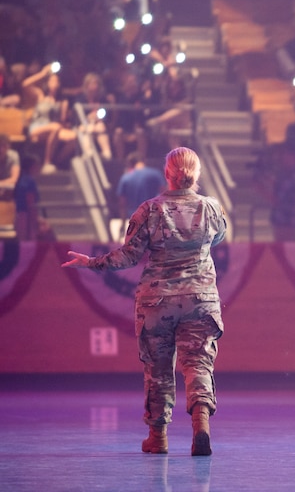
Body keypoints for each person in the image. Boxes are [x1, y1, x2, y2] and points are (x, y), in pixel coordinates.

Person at [62, 147, 227, 456]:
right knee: (198, 363)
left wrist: (92, 262)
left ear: (167, 174)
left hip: (157, 301)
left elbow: (129, 255)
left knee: (158, 369)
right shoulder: (211, 209)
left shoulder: (149, 210)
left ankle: (158, 438)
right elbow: (217, 238)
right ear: (197, 175)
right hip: (200, 299)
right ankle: (200, 422)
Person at [116, 152, 166, 220]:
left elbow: (122, 203)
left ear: (130, 164)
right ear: (144, 161)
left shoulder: (125, 178)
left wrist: (123, 222)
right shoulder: (155, 174)